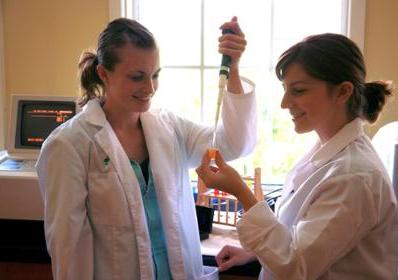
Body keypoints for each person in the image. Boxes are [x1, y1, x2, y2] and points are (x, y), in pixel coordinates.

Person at [36, 17, 256, 279]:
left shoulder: (169, 127)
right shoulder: (69, 145)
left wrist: (232, 69)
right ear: (104, 74)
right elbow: (69, 249)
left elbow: (232, 144)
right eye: (137, 77)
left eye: (155, 75)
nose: (150, 88)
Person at [196, 33, 398, 279]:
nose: (284, 103)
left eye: (299, 90)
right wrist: (255, 253)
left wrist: (241, 192)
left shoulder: (354, 176)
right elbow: (307, 241)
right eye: (285, 90)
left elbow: (296, 266)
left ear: (343, 92)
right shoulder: (326, 154)